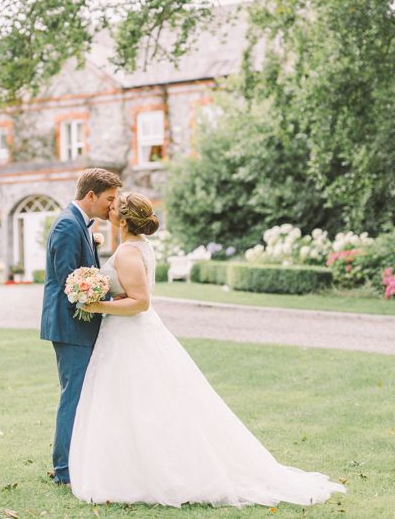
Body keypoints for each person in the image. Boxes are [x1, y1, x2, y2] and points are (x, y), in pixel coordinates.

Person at [68, 192, 346, 507]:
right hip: (125, 336)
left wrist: (97, 304)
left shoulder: (130, 252)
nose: (110, 210)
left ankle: (153, 474)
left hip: (130, 338)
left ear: (124, 218)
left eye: (115, 207)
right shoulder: (135, 247)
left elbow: (141, 303)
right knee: (136, 405)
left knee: (142, 406)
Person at [40, 167, 123, 486]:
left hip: (80, 324)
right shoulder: (66, 225)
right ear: (91, 196)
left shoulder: (81, 225)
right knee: (73, 394)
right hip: (69, 325)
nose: (111, 207)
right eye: (109, 199)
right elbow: (69, 282)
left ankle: (80, 460)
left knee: (83, 392)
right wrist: (112, 294)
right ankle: (64, 471)